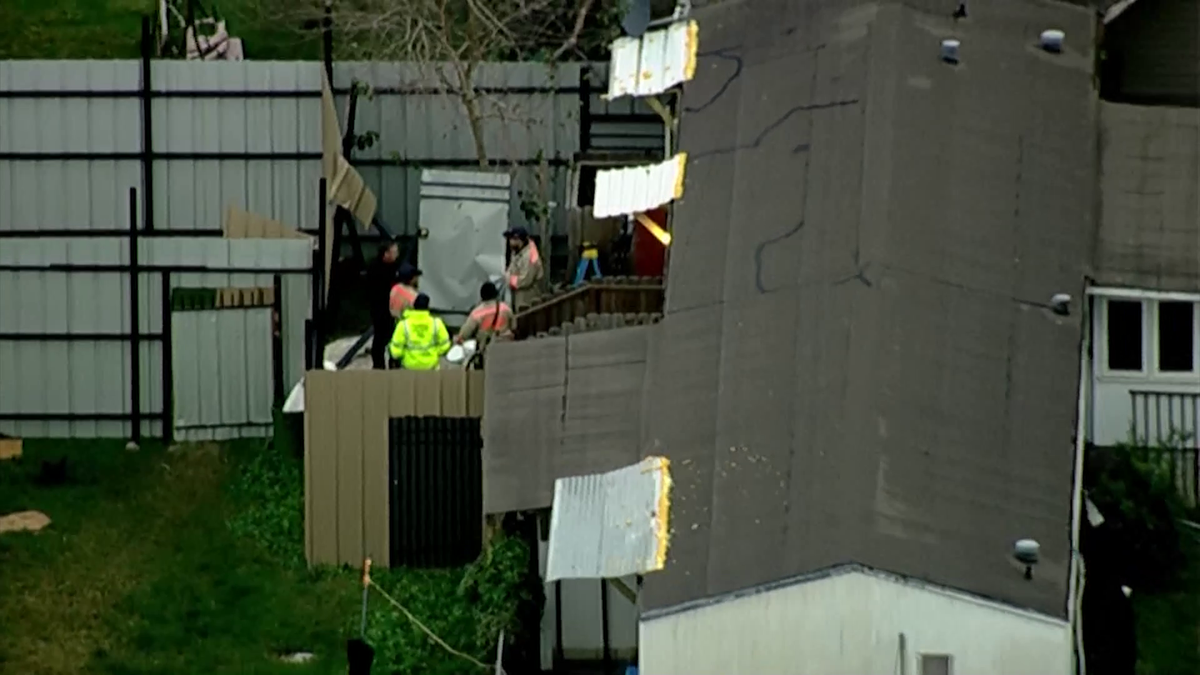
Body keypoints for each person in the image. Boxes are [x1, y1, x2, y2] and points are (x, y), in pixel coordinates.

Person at [388, 293, 450, 370]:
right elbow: (445, 345)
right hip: (431, 367)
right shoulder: (437, 323)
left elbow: (395, 352)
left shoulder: (403, 325)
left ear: (414, 306)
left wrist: (405, 356)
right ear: (428, 307)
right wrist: (435, 352)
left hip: (409, 367)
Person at [366, 240, 400, 369]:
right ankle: (378, 365)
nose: (397, 254)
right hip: (380, 307)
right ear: (386, 254)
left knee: (393, 337)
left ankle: (393, 363)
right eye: (394, 252)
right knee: (380, 338)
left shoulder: (394, 267)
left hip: (391, 307)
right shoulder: (375, 269)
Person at [457, 281, 515, 347]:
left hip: (486, 348)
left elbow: (464, 334)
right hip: (507, 345)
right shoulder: (506, 308)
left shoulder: (476, 313)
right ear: (496, 294)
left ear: (482, 296)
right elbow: (514, 326)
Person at [503, 226, 544, 311]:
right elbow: (510, 269)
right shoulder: (517, 252)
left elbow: (525, 280)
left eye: (511, 239)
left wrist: (508, 279)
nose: (509, 242)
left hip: (527, 298)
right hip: (517, 296)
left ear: (519, 240)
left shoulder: (530, 255)